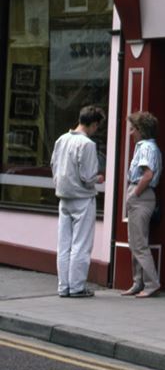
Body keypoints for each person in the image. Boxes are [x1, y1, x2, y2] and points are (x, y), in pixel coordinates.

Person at [51, 105, 106, 298]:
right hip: (82, 198)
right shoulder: (87, 144)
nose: (96, 130)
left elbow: (53, 165)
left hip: (64, 196)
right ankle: (76, 286)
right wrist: (98, 179)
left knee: (64, 244)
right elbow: (88, 175)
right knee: (81, 244)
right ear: (93, 124)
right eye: (97, 126)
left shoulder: (61, 139)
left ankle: (63, 286)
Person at [122, 111, 162, 298]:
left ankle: (151, 283)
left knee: (138, 244)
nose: (130, 133)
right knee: (135, 242)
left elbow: (148, 175)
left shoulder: (145, 147)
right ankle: (138, 282)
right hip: (142, 195)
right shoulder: (149, 146)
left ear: (140, 130)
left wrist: (135, 193)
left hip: (141, 194)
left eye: (132, 129)